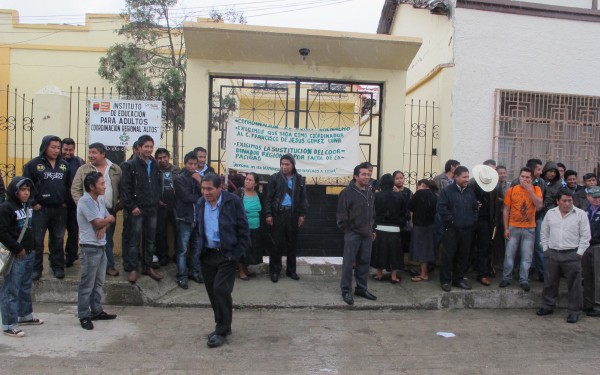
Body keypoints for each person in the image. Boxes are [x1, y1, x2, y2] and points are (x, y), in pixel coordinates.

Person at [195, 173, 250, 348]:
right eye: (203, 188)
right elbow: (198, 229)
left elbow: (243, 229)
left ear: (220, 188)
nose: (206, 192)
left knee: (221, 289)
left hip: (227, 254)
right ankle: (222, 324)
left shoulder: (232, 202)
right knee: (213, 292)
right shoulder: (200, 203)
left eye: (210, 188)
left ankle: (222, 330)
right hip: (207, 254)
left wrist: (236, 254)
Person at [536, 190, 590, 323]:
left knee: (574, 284)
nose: (567, 204)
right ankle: (547, 305)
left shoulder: (580, 214)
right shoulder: (551, 213)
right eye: (564, 201)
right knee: (550, 281)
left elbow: (585, 236)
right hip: (553, 253)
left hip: (572, 254)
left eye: (570, 201)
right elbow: (544, 232)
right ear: (558, 201)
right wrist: (546, 249)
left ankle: (574, 311)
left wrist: (579, 253)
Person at [0, 177, 44, 337]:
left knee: (26, 286)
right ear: (15, 191)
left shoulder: (28, 206)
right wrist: (18, 249)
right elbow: (2, 232)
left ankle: (25, 315)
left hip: (29, 252)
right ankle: (9, 324)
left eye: (28, 190)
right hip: (16, 254)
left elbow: (30, 227)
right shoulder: (6, 208)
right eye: (23, 190)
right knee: (11, 289)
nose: (26, 193)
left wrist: (33, 248)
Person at [23, 135, 71, 280]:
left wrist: (65, 202)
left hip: (59, 209)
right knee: (37, 241)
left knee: (58, 239)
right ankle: (36, 269)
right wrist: (33, 203)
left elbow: (68, 185)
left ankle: (57, 267)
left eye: (58, 147)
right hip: (40, 209)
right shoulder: (33, 165)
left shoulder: (64, 165)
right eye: (53, 147)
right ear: (45, 147)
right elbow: (26, 185)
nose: (56, 150)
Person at [71, 142, 121, 277]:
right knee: (91, 242)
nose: (91, 155)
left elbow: (122, 190)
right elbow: (75, 189)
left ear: (103, 153)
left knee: (107, 240)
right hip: (89, 213)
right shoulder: (83, 169)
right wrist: (86, 207)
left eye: (94, 153)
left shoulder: (115, 169)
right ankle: (91, 268)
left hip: (109, 210)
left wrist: (111, 214)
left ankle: (108, 266)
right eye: (90, 152)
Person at [76, 172, 117, 330]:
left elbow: (111, 217)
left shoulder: (99, 199)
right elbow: (97, 222)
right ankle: (84, 315)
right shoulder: (85, 201)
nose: (104, 186)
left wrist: (104, 225)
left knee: (98, 282)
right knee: (87, 284)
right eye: (101, 184)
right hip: (90, 248)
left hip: (101, 246)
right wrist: (103, 223)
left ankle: (97, 310)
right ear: (91, 186)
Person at [119, 135, 163, 283]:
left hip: (152, 209)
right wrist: (132, 206)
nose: (149, 149)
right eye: (146, 147)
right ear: (139, 148)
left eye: (151, 147)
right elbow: (125, 190)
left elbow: (158, 185)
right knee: (134, 241)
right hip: (136, 210)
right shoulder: (129, 165)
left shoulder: (155, 165)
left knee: (150, 240)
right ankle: (133, 268)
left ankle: (148, 266)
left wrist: (157, 200)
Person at [337, 162, 377, 305]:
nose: (367, 177)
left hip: (367, 234)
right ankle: (346, 291)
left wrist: (372, 229)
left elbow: (372, 212)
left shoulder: (370, 192)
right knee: (348, 263)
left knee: (364, 263)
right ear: (356, 176)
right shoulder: (346, 193)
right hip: (352, 234)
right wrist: (348, 230)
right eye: (364, 174)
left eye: (368, 174)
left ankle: (361, 288)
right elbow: (341, 215)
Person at [264, 154, 308, 282]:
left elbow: (303, 198)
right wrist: (268, 214)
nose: (284, 166)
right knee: (276, 244)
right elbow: (268, 198)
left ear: (293, 165)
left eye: (287, 164)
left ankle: (291, 271)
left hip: (293, 215)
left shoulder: (300, 179)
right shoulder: (274, 178)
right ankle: (275, 271)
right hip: (278, 215)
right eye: (282, 164)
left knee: (292, 244)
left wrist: (302, 214)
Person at [500, 167, 543, 291]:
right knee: (509, 255)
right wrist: (506, 228)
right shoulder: (511, 190)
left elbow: (539, 206)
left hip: (529, 228)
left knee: (527, 256)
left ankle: (523, 280)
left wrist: (530, 191)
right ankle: (506, 278)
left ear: (532, 179)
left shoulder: (536, 189)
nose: (524, 179)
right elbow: (506, 210)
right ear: (519, 177)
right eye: (522, 176)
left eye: (527, 177)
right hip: (513, 227)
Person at [436, 166, 478, 292]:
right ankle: (445, 281)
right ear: (456, 177)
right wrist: (452, 221)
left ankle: (458, 279)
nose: (467, 179)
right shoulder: (447, 191)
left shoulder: (470, 192)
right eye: (464, 177)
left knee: (463, 255)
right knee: (448, 255)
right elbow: (442, 208)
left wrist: (472, 220)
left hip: (467, 230)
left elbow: (475, 207)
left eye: (468, 177)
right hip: (451, 229)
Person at [173, 151, 203, 289]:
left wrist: (200, 182)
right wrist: (201, 196)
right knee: (183, 249)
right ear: (184, 164)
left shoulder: (198, 178)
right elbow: (186, 197)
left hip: (198, 218)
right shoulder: (180, 179)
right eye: (190, 164)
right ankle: (182, 276)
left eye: (195, 164)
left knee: (197, 248)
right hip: (184, 218)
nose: (192, 166)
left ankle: (194, 272)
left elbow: (207, 192)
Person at [371, 174, 406, 283]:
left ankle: (379, 274)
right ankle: (394, 276)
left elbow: (372, 213)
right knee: (394, 253)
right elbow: (404, 213)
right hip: (394, 229)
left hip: (379, 228)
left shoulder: (376, 196)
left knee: (379, 252)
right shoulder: (399, 196)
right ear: (392, 183)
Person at [469, 164, 499, 286]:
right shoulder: (471, 184)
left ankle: (482, 274)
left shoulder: (494, 186)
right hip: (470, 220)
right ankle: (462, 270)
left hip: (486, 221)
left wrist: (495, 220)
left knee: (484, 247)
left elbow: (496, 204)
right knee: (466, 246)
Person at [155, 148, 181, 267]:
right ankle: (163, 256)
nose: (163, 160)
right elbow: (151, 187)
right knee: (160, 232)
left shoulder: (176, 170)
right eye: (160, 158)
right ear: (156, 159)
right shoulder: (154, 170)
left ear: (168, 157)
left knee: (178, 231)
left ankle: (177, 255)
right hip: (160, 206)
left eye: (165, 157)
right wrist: (157, 200)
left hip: (175, 205)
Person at [235, 172, 264, 280]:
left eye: (250, 180)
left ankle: (246, 269)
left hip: (255, 227)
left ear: (255, 183)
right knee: (243, 249)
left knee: (251, 250)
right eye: (246, 179)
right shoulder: (239, 193)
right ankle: (241, 271)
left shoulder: (258, 195)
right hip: (243, 228)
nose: (247, 181)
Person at [61, 138, 85, 268]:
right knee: (58, 233)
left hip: (75, 204)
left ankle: (71, 256)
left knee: (74, 231)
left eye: (70, 150)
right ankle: (58, 257)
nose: (68, 152)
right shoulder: (56, 162)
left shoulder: (80, 162)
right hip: (60, 205)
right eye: (65, 149)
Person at [408, 179, 437, 282]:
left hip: (420, 226)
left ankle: (423, 274)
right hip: (431, 225)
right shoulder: (434, 195)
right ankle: (424, 272)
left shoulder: (419, 193)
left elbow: (410, 206)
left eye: (417, 186)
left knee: (421, 250)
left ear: (422, 185)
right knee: (428, 249)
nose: (417, 188)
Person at [582, 186, 600, 318]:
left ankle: (597, 305)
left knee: (597, 277)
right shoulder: (585, 212)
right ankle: (588, 304)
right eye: (594, 197)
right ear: (588, 197)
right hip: (586, 247)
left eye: (599, 197)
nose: (597, 200)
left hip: (598, 246)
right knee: (587, 276)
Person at [392, 170, 412, 262]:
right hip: (394, 222)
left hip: (405, 223)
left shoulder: (408, 192)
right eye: (397, 178)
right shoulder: (391, 191)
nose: (399, 180)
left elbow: (411, 206)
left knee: (403, 245)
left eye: (401, 178)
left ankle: (401, 265)